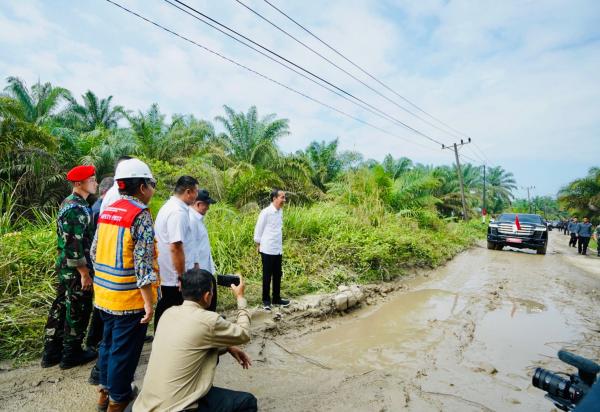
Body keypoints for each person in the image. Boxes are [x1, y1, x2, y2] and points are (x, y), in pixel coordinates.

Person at [132, 268, 256, 412]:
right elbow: (244, 334)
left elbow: (191, 344)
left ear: (181, 288)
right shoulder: (209, 320)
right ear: (207, 296)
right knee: (247, 402)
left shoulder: (168, 313)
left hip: (146, 405)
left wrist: (228, 347)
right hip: (176, 408)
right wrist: (240, 298)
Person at [92, 158, 160, 411]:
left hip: (104, 294)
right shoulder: (139, 214)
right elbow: (143, 267)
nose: (153, 190)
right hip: (128, 299)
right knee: (125, 353)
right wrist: (148, 303)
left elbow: (94, 251)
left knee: (108, 345)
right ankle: (117, 401)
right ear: (142, 187)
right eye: (152, 184)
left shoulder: (108, 209)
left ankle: (104, 394)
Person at [41, 165, 99, 369]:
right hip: (75, 268)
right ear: (78, 183)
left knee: (61, 306)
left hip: (66, 266)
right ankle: (71, 353)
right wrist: (84, 273)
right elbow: (74, 244)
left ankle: (52, 352)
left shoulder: (71, 203)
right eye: (91, 179)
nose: (95, 182)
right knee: (78, 307)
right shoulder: (76, 208)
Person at [153, 176, 199, 329]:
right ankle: (164, 338)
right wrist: (182, 276)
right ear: (188, 192)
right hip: (173, 273)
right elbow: (176, 246)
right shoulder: (177, 212)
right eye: (196, 191)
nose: (197, 195)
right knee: (171, 305)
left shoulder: (170, 206)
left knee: (167, 304)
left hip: (168, 270)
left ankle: (162, 336)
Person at [254, 188, 289, 311]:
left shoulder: (280, 212)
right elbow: (259, 229)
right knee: (267, 276)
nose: (284, 200)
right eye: (282, 197)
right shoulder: (266, 212)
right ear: (274, 198)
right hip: (267, 248)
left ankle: (276, 298)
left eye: (284, 197)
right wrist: (258, 244)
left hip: (277, 248)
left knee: (277, 275)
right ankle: (266, 301)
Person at [188, 189, 218, 312]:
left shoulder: (198, 219)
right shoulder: (192, 220)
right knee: (204, 303)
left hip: (205, 268)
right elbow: (191, 247)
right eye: (207, 204)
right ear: (199, 204)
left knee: (210, 299)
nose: (208, 208)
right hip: (200, 270)